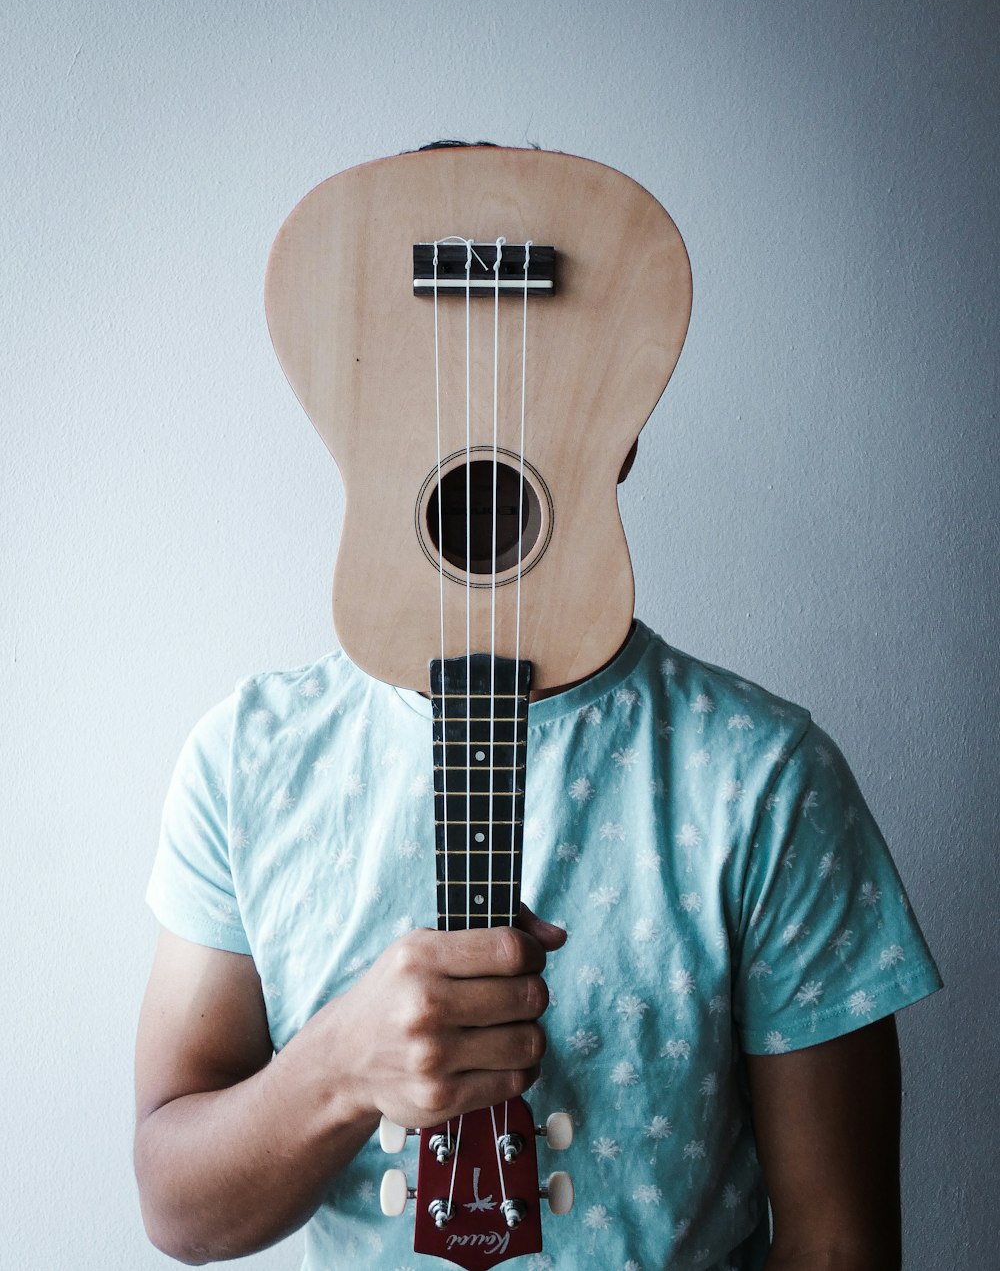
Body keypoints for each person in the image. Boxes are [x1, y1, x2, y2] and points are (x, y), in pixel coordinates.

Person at [135, 453, 941, 1271]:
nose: (481, 408)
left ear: (624, 417)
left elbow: (838, 1245)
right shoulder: (249, 759)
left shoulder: (767, 777)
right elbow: (176, 1208)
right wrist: (338, 1068)